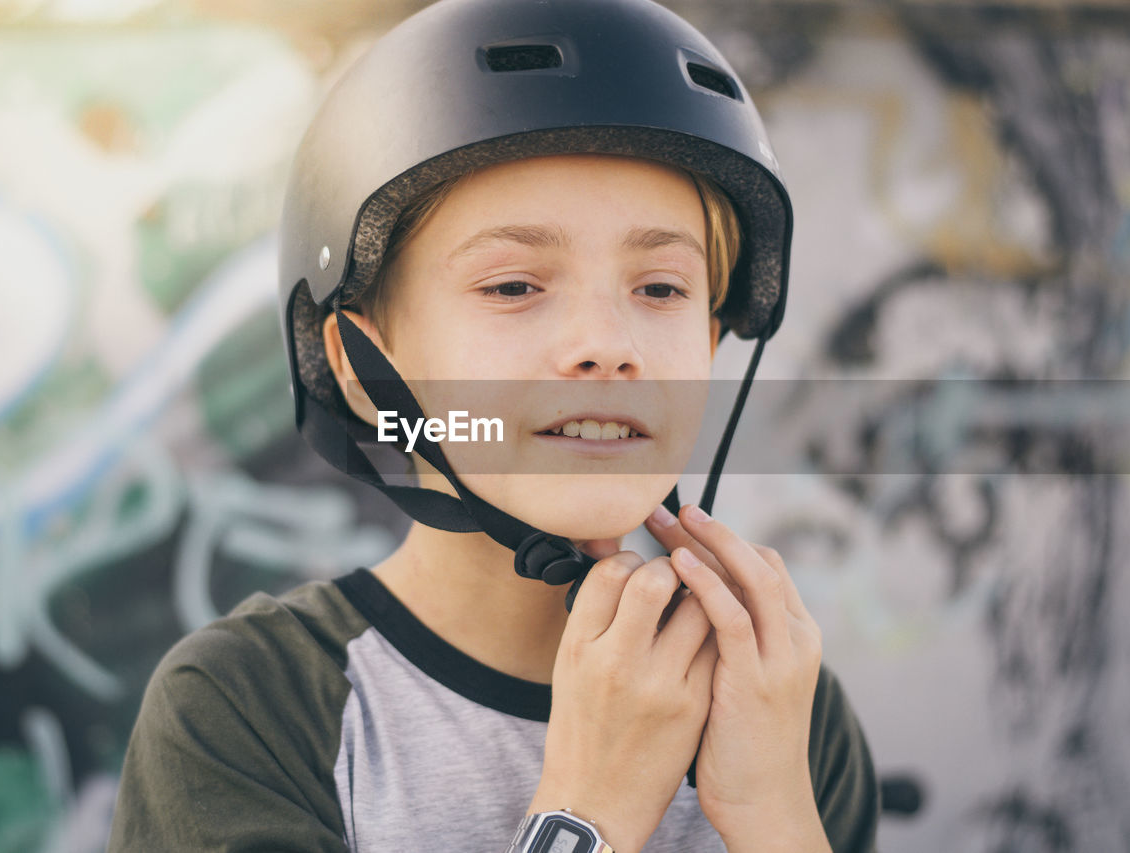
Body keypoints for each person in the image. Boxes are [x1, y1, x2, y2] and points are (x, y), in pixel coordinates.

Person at [108, 1, 881, 851]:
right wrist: (587, 813)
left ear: (708, 339)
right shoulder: (249, 707)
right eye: (514, 285)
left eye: (661, 288)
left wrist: (776, 816)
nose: (606, 347)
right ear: (368, 370)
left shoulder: (781, 706)